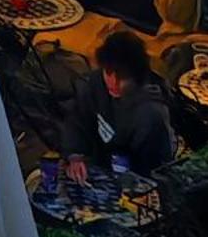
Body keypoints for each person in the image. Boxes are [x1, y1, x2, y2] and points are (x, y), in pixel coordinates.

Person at [61, 29, 176, 180]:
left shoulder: (151, 114)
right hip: (99, 165)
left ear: (136, 77)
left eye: (122, 78)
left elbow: (154, 167)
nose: (113, 83)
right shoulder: (93, 84)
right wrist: (75, 155)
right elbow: (77, 119)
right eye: (108, 73)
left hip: (133, 178)